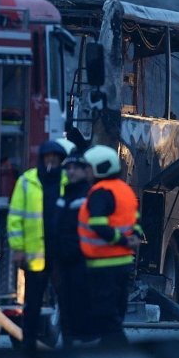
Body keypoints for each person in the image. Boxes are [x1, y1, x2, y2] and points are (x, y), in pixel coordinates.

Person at [78, 144, 143, 345]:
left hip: (103, 264)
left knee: (107, 316)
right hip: (123, 263)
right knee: (115, 313)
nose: (85, 172)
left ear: (100, 168)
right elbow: (135, 223)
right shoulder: (125, 190)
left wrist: (122, 240)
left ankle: (117, 355)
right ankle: (111, 352)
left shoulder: (100, 192)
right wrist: (132, 239)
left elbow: (98, 226)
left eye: (88, 168)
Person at [7, 140, 68, 353]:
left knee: (66, 302)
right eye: (48, 156)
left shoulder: (67, 181)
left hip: (61, 255)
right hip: (35, 257)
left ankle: (69, 347)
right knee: (31, 305)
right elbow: (15, 217)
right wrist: (18, 248)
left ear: (61, 160)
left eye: (55, 157)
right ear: (42, 158)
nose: (51, 160)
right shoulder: (27, 181)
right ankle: (28, 346)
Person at [52, 143, 95, 343]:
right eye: (67, 168)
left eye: (75, 168)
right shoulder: (66, 196)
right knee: (66, 311)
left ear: (85, 170)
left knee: (80, 311)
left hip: (80, 264)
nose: (70, 172)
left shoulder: (86, 197)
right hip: (63, 264)